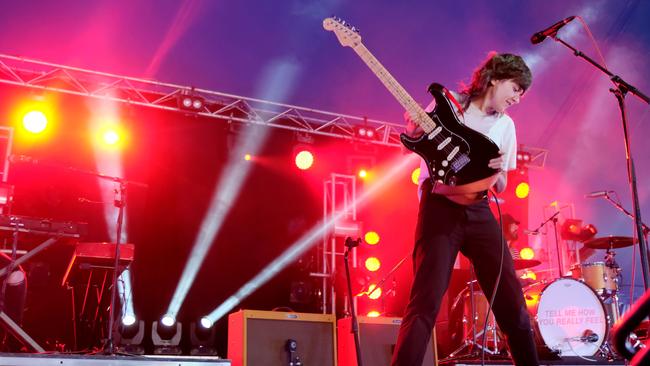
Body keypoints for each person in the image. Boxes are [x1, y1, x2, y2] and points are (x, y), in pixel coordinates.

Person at [391, 52, 539, 366]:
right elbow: (412, 144)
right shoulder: (450, 103)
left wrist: (498, 171)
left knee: (511, 301)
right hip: (440, 207)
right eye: (515, 88)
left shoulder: (506, 126)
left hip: (480, 209)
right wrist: (414, 131)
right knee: (426, 302)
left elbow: (501, 186)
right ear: (496, 78)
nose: (518, 97)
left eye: (522, 94)